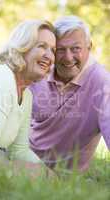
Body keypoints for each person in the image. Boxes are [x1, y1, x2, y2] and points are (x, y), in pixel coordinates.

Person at [29, 15, 110, 173]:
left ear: (89, 47)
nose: (68, 58)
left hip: (64, 175)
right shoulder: (40, 73)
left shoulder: (102, 83)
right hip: (24, 158)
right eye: (60, 50)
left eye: (75, 49)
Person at [0, 19, 56, 175]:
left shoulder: (26, 95)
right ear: (22, 48)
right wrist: (14, 173)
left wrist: (48, 175)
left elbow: (19, 150)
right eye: (42, 46)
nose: (49, 56)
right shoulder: (0, 81)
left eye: (53, 50)